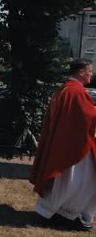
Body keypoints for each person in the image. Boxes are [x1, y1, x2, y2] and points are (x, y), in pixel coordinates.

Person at [30, 58, 96, 232]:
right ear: (81, 72)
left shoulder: (64, 89)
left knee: (64, 182)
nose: (91, 73)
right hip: (74, 149)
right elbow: (88, 119)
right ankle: (67, 216)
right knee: (81, 182)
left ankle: (50, 213)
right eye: (90, 70)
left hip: (64, 144)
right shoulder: (77, 92)